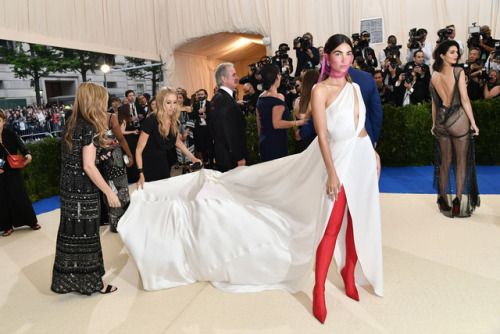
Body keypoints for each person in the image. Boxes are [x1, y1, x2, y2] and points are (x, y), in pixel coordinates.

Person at [118, 35, 382, 324]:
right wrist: (331, 172)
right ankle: (318, 288)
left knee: (357, 221)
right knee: (331, 224)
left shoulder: (356, 88)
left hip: (363, 158)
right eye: (338, 53)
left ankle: (348, 273)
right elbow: (323, 136)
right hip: (338, 162)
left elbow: (362, 128)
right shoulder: (320, 90)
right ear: (327, 58)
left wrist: (374, 153)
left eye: (348, 53)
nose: (344, 59)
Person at [51, 82, 119, 295]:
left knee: (71, 234)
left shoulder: (72, 122)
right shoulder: (89, 126)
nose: (105, 105)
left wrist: (100, 153)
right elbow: (88, 166)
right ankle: (93, 283)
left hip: (68, 189)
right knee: (88, 236)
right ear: (95, 101)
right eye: (103, 101)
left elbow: (78, 157)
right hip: (83, 191)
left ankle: (71, 280)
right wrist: (109, 191)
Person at [430, 40, 480, 217]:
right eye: (452, 52)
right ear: (442, 55)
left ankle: (443, 199)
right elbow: (465, 100)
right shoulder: (458, 71)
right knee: (461, 162)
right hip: (459, 119)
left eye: (456, 52)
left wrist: (434, 124)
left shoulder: (434, 76)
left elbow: (434, 105)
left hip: (443, 121)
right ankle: (457, 200)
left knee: (445, 162)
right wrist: (473, 122)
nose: (456, 55)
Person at [135, 87, 201, 186]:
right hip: (147, 164)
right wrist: (141, 173)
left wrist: (192, 157)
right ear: (161, 103)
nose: (172, 106)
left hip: (163, 162)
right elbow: (138, 150)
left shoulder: (173, 119)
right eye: (168, 102)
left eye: (175, 102)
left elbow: (177, 141)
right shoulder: (151, 120)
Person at [0, 110, 40, 237]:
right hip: (0, 173)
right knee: (3, 200)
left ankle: (31, 222)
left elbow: (21, 146)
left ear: (4, 121)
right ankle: (7, 226)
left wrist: (27, 154)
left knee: (20, 196)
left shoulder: (10, 134)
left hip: (13, 170)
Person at [255, 64, 306, 162]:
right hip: (276, 142)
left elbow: (259, 125)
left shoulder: (260, 97)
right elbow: (277, 124)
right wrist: (299, 122)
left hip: (264, 142)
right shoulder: (278, 97)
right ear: (277, 77)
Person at [98, 108, 134, 232]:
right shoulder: (110, 117)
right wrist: (129, 155)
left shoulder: (88, 117)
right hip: (114, 158)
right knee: (121, 189)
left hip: (97, 159)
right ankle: (122, 224)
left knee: (107, 189)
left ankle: (113, 223)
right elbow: (120, 138)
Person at [209, 63, 246, 172]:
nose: (238, 78)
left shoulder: (217, 98)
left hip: (223, 154)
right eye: (234, 75)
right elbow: (230, 131)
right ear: (224, 79)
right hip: (231, 158)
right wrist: (239, 157)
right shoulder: (225, 100)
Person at [293, 69, 319, 152]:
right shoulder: (316, 101)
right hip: (314, 144)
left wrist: (298, 134)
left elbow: (295, 125)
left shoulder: (297, 101)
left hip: (300, 143)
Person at [176, 91, 195, 172]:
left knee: (189, 147)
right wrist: (177, 133)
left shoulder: (188, 108)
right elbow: (172, 122)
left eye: (180, 97)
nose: (178, 99)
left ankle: (190, 168)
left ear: (183, 99)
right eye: (177, 97)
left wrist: (186, 132)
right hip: (177, 131)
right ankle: (184, 168)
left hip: (188, 130)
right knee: (179, 150)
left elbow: (192, 120)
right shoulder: (173, 109)